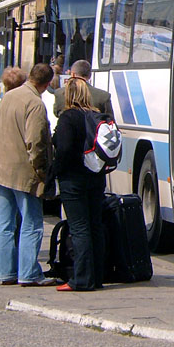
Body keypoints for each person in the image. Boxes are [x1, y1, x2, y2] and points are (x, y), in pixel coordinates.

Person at [0, 63, 57, 287]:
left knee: (5, 223)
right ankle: (28, 273)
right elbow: (35, 141)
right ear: (46, 84)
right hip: (23, 171)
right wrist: (42, 170)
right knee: (31, 222)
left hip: (0, 168)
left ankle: (5, 271)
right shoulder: (35, 103)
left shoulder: (9, 96)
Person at [51, 77, 106, 291]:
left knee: (79, 228)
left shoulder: (68, 118)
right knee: (95, 226)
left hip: (73, 179)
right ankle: (97, 276)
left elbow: (64, 149)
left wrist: (57, 170)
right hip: (96, 176)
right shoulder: (96, 116)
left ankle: (81, 279)